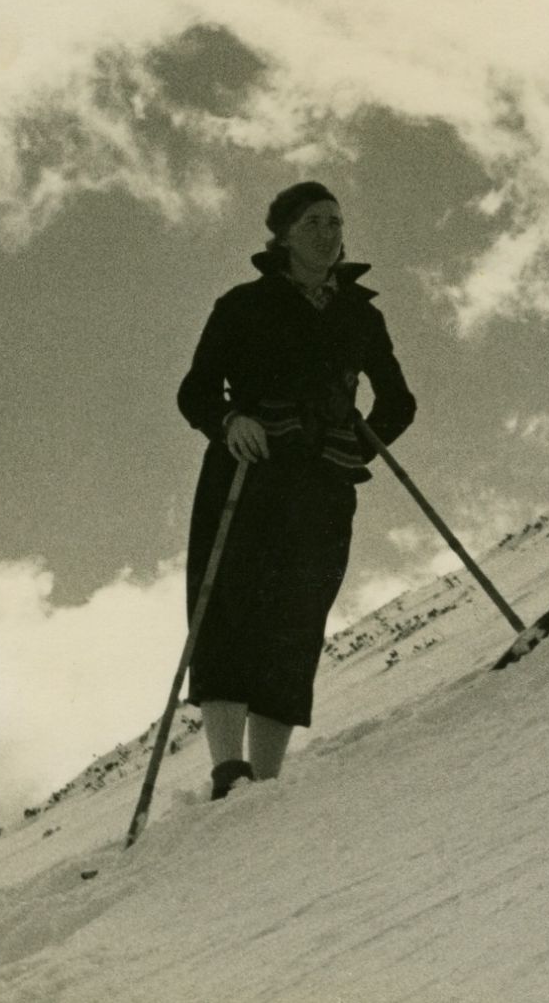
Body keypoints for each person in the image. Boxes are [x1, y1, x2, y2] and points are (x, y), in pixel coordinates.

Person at [177, 181, 416, 799]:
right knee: (229, 604)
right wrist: (231, 422)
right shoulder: (242, 306)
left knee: (297, 616)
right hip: (247, 473)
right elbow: (197, 391)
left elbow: (398, 401)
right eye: (312, 222)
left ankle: (268, 777)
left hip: (321, 486)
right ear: (282, 235)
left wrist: (353, 446)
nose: (328, 232)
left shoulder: (361, 315)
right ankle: (229, 769)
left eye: (335, 221)